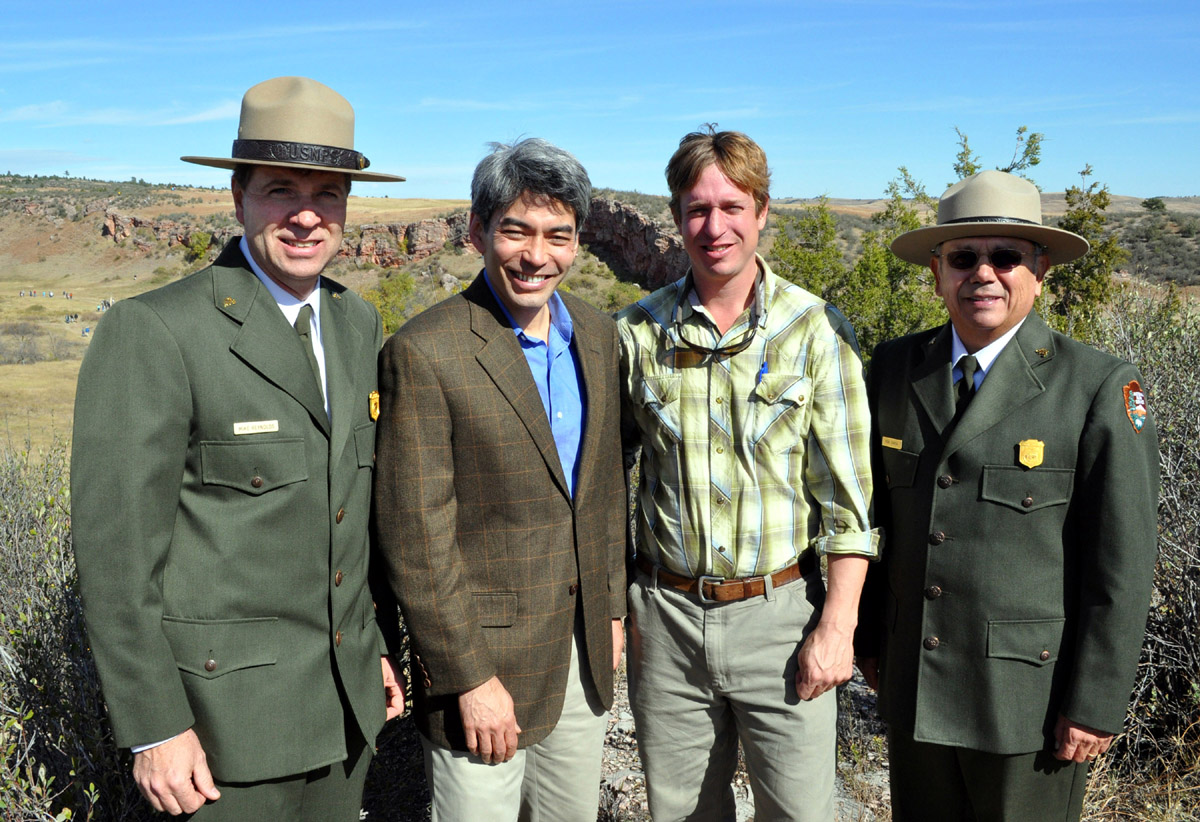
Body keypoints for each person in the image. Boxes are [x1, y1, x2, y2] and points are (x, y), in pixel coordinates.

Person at [71, 76, 406, 819]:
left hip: (345, 714)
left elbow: (351, 511)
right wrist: (155, 724)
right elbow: (116, 557)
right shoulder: (158, 331)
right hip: (222, 734)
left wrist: (373, 643)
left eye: (329, 193)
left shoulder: (356, 326)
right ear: (237, 196)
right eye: (280, 189)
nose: (307, 216)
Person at [855, 170, 1160, 822]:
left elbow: (1122, 561)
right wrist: (868, 642)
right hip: (916, 681)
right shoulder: (895, 369)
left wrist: (1096, 701)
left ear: (1040, 271)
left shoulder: (1096, 386)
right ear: (938, 271)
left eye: (1006, 257)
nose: (983, 274)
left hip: (1028, 701)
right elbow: (877, 516)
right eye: (964, 257)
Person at [617, 127, 880, 821]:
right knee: (681, 812)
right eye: (698, 209)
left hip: (780, 619)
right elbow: (601, 479)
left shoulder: (814, 330)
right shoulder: (638, 334)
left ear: (763, 212)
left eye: (733, 207)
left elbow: (850, 509)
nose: (715, 226)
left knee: (797, 811)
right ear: (676, 219)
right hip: (667, 620)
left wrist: (837, 628)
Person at [373, 138, 626, 821]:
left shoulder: (600, 339)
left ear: (579, 243)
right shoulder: (427, 351)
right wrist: (467, 678)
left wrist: (611, 610)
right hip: (482, 670)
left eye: (557, 236)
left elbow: (603, 489)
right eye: (515, 230)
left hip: (581, 659)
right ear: (478, 231)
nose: (536, 255)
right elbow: (415, 535)